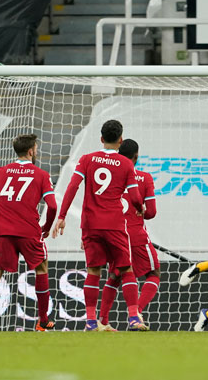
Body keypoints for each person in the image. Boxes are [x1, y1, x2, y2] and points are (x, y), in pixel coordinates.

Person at [53, 119, 147, 331]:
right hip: (114, 223)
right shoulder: (126, 164)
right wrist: (140, 207)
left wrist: (62, 215)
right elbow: (133, 197)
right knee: (126, 268)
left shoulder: (87, 159)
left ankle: (90, 321)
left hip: (90, 224)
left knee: (94, 270)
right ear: (121, 140)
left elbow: (73, 186)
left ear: (102, 139)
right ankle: (133, 317)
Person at [0, 134, 57, 332]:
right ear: (31, 151)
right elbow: (52, 206)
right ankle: (42, 321)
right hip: (29, 231)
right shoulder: (41, 174)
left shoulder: (1, 172)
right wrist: (47, 227)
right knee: (41, 270)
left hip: (3, 232)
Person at [96, 139, 158, 332]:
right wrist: (142, 212)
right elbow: (152, 212)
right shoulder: (144, 178)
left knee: (114, 277)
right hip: (136, 234)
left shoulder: (108, 179)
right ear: (136, 157)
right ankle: (136, 313)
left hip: (114, 234)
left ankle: (102, 321)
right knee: (154, 273)